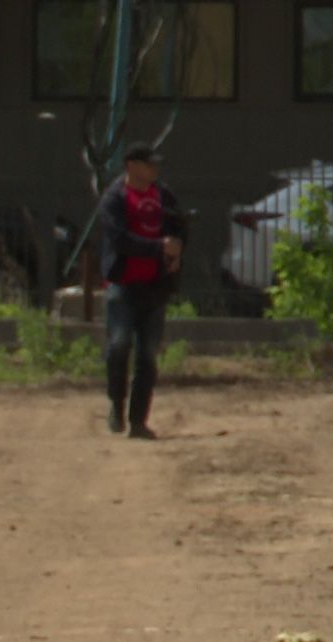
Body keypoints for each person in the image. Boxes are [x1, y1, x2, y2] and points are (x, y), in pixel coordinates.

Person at [97, 142, 186, 440]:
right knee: (119, 344)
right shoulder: (114, 198)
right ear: (132, 166)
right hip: (123, 287)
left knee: (148, 354)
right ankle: (116, 406)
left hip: (155, 287)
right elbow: (120, 240)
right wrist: (158, 248)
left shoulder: (164, 194)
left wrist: (177, 248)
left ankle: (138, 421)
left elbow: (179, 225)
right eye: (149, 164)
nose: (155, 169)